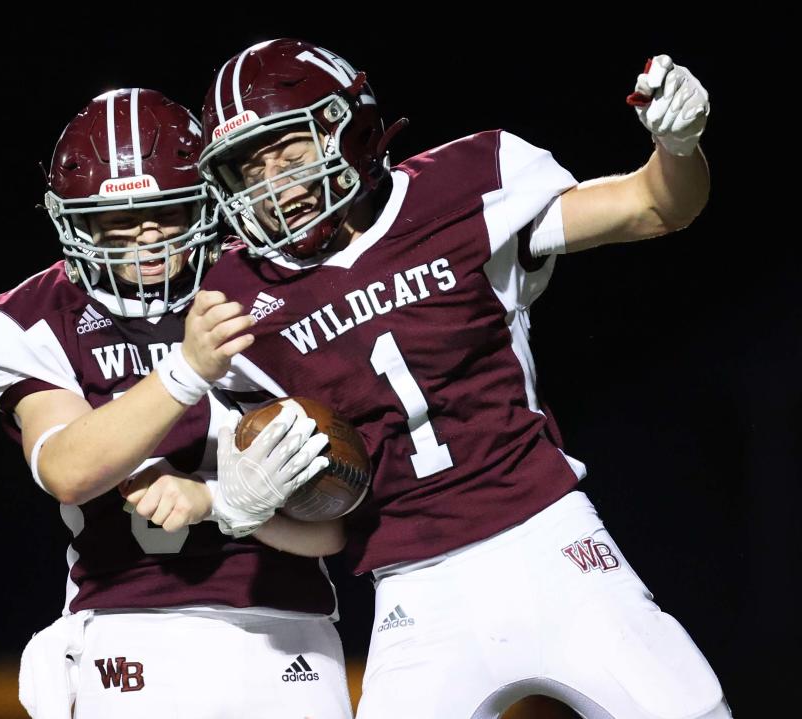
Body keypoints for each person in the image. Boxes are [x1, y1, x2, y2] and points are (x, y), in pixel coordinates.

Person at [197, 40, 731, 718]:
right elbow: (324, 528)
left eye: (290, 152)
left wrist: (678, 148)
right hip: (414, 594)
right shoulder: (236, 302)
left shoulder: (468, 182)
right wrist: (238, 509)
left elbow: (656, 206)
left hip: (549, 541)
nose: (274, 182)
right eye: (251, 166)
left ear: (348, 125)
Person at [0, 87, 353, 719]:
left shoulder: (274, 286)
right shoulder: (36, 317)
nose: (146, 237)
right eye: (120, 220)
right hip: (131, 624)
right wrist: (186, 370)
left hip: (290, 622)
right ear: (76, 220)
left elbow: (334, 524)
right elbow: (66, 468)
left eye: (167, 212)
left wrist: (228, 505)